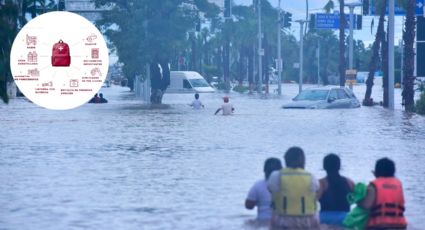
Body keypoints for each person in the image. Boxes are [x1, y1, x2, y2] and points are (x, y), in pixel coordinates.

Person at [267, 146, 320, 229]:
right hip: (307, 219)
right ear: (303, 160)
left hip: (283, 218)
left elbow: (271, 190)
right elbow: (316, 193)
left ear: (286, 160)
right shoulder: (311, 176)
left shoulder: (276, 175)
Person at [360, 158, 407, 229]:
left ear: (376, 172)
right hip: (399, 225)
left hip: (379, 225)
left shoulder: (373, 185)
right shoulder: (398, 184)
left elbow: (366, 205)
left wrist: (358, 201)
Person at [317, 154, 355, 226]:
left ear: (324, 167)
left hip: (325, 218)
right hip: (346, 218)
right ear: (339, 166)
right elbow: (357, 200)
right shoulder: (350, 182)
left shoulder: (322, 183)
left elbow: (313, 200)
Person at [245, 158, 283, 222]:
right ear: (281, 171)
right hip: (281, 222)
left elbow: (248, 206)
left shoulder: (258, 185)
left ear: (264, 170)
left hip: (262, 220)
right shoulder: (286, 186)